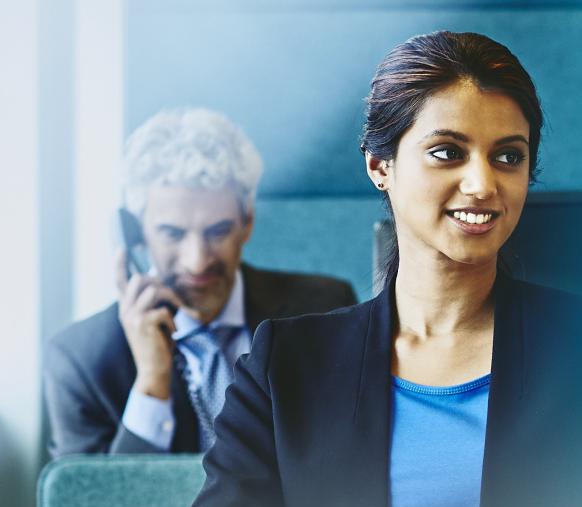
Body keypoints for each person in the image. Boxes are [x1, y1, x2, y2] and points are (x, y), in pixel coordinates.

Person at [173, 32, 582, 507]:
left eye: (508, 156)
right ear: (381, 165)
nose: (483, 184)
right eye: (447, 152)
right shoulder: (288, 364)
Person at [44, 108, 360, 458]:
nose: (198, 260)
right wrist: (152, 381)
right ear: (135, 233)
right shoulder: (81, 360)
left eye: (218, 231)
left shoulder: (323, 308)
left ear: (247, 222)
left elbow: (356, 456)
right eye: (172, 233)